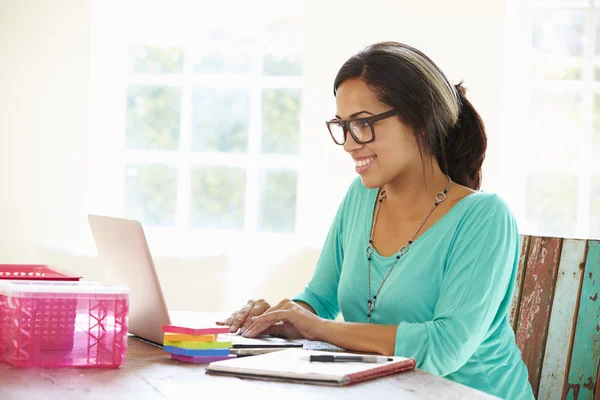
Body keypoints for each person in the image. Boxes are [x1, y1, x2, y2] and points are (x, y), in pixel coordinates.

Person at [216, 41, 534, 399]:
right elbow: (320, 297)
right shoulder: (361, 196)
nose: (350, 144)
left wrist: (318, 329)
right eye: (343, 126)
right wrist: (284, 318)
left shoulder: (484, 217)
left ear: (420, 121)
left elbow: (445, 347)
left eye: (363, 124)